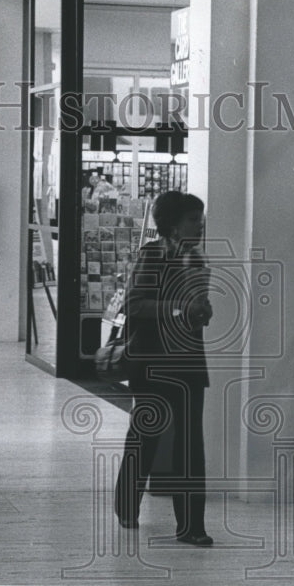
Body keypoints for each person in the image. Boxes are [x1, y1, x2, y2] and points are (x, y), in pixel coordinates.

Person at [114, 191, 214, 546]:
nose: (200, 225)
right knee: (146, 436)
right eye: (192, 219)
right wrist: (177, 309)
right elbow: (133, 303)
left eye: (200, 219)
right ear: (172, 223)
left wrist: (202, 310)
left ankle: (192, 526)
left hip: (187, 358)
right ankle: (126, 504)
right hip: (153, 359)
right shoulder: (153, 254)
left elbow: (198, 306)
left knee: (191, 444)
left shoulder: (196, 258)